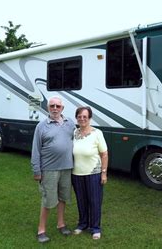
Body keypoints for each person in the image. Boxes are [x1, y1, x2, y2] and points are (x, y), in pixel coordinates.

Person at [31, 96, 75, 243]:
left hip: (67, 168)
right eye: (52, 106)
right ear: (48, 108)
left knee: (63, 198)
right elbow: (35, 150)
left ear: (62, 108)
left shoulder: (70, 124)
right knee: (48, 200)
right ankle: (41, 230)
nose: (55, 108)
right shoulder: (41, 126)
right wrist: (37, 171)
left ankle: (61, 224)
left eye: (57, 106)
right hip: (49, 169)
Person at [71, 106, 108, 240]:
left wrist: (104, 173)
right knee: (81, 201)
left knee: (95, 201)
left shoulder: (97, 133)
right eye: (79, 116)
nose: (82, 119)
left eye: (85, 116)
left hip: (94, 173)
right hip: (76, 174)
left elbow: (104, 154)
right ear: (77, 118)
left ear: (90, 118)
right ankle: (82, 224)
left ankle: (95, 228)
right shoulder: (74, 133)